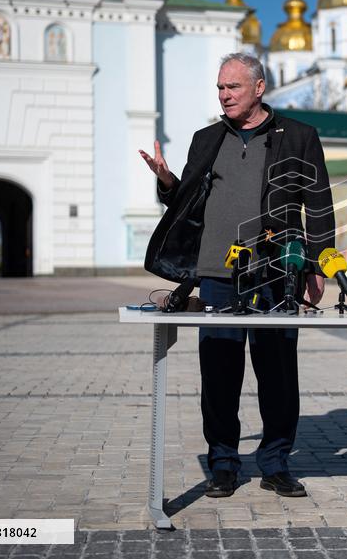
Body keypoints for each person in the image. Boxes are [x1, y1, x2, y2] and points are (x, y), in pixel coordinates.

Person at [139, 53, 335, 498]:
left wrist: (320, 263)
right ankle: (223, 463)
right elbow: (185, 203)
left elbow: (319, 202)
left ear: (259, 87)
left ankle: (275, 463)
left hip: (276, 274)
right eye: (221, 88)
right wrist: (168, 181)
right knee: (220, 373)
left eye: (234, 87)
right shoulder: (206, 139)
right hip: (217, 274)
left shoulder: (299, 137)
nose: (225, 95)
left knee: (278, 373)